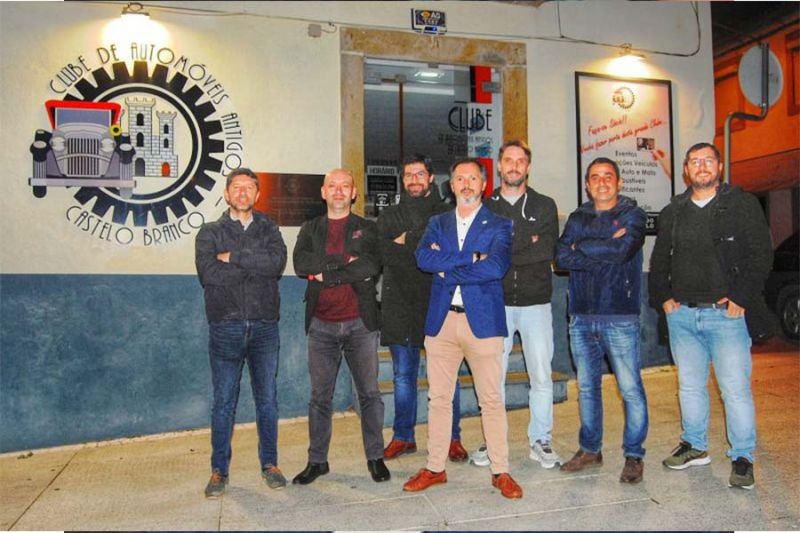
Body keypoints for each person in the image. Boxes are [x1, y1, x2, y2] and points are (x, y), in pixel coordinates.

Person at [649, 142, 773, 490]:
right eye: (694, 161)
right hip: (683, 316)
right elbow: (659, 260)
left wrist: (741, 296)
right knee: (689, 387)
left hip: (726, 317)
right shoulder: (673, 211)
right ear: (686, 170)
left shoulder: (741, 205)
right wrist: (663, 298)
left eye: (708, 160)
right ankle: (695, 446)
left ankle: (743, 457)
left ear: (719, 167)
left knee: (734, 391)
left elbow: (761, 255)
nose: (701, 166)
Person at [402, 158, 523, 499]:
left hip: (482, 322)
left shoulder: (499, 224)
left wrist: (448, 269)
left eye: (472, 178)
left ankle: (500, 471)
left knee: (491, 399)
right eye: (459, 178)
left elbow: (496, 267)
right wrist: (471, 258)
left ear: (483, 185)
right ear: (451, 185)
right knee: (439, 398)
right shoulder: (437, 222)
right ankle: (435, 467)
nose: (466, 183)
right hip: (442, 322)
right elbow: (424, 259)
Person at [291, 168, 390, 485]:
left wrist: (327, 273)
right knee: (320, 398)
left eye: (344, 186)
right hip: (321, 326)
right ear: (323, 192)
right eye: (332, 186)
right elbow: (301, 264)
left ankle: (375, 457)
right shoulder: (310, 228)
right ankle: (317, 461)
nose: (338, 190)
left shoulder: (367, 228)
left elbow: (370, 265)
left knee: (369, 394)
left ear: (353, 193)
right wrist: (345, 263)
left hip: (360, 324)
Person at [195, 167, 288, 497]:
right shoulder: (209, 232)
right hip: (226, 326)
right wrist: (253, 268)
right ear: (227, 193)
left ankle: (270, 464)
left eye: (249, 188)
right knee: (223, 402)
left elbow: (275, 265)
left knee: (268, 400)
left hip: (264, 327)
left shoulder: (269, 228)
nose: (243, 193)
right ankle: (218, 470)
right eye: (237, 187)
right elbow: (209, 274)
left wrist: (233, 257)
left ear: (257, 194)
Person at [555, 157, 649, 484]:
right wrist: (604, 248)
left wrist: (581, 246)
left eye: (608, 176)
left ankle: (634, 455)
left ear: (619, 182)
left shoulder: (633, 215)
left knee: (630, 388)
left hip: (619, 315)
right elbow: (561, 257)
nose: (602, 182)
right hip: (581, 315)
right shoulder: (577, 217)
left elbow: (623, 251)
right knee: (587, 388)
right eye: (595, 177)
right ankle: (590, 450)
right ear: (587, 185)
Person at [474, 140, 562, 469]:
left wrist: (501, 249)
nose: (514, 166)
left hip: (536, 302)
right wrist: (526, 240)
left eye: (520, 160)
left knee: (540, 375)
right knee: (492, 377)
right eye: (508, 160)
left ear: (528, 166)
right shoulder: (485, 207)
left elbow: (546, 250)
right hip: (494, 304)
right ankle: (493, 440)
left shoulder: (545, 205)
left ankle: (541, 439)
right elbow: (478, 251)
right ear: (498, 166)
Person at [378, 154, 468, 463]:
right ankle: (403, 437)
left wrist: (407, 240)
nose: (414, 180)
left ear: (430, 177)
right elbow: (384, 253)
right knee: (404, 376)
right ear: (402, 180)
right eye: (408, 175)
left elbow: (450, 253)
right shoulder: (389, 215)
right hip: (399, 305)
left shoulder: (446, 213)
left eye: (420, 174)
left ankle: (452, 438)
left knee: (447, 377)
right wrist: (424, 246)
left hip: (438, 303)